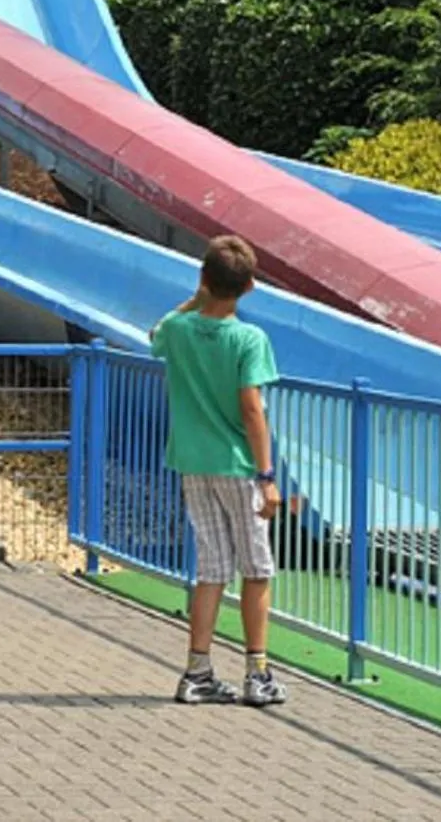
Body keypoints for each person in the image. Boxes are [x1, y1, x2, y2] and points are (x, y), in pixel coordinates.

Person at [150, 234, 286, 708]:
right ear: (249, 286)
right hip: (237, 465)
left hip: (191, 460)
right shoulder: (250, 339)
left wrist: (196, 296)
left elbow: (156, 333)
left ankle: (198, 670)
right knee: (256, 568)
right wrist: (267, 477)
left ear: (204, 279)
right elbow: (252, 407)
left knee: (211, 568)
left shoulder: (180, 329)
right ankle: (258, 671)